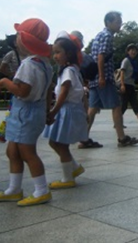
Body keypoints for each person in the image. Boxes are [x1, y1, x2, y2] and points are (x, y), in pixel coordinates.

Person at [0, 18, 54, 206]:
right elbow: (49, 89)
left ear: (25, 40)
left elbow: (22, 91)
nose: (16, 38)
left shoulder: (28, 65)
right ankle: (14, 188)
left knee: (27, 152)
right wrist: (48, 109)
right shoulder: (44, 63)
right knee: (13, 151)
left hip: (25, 112)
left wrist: (3, 83)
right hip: (33, 111)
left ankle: (41, 190)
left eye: (19, 35)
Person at [81, 11, 138, 148]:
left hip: (95, 78)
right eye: (117, 22)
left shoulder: (99, 35)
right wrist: (102, 77)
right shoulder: (107, 36)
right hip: (104, 78)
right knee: (116, 106)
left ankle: (83, 138)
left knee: (93, 108)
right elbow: (101, 57)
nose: (120, 25)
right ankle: (122, 138)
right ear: (108, 22)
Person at [44, 32, 88, 189]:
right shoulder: (69, 69)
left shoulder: (68, 71)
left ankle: (67, 178)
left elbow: (63, 93)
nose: (54, 56)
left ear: (68, 53)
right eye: (53, 52)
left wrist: (53, 111)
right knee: (55, 142)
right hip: (67, 109)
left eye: (58, 52)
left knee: (60, 144)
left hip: (67, 110)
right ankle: (74, 168)